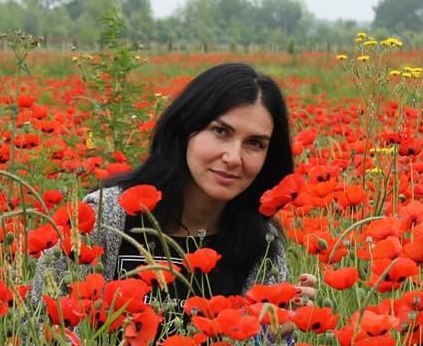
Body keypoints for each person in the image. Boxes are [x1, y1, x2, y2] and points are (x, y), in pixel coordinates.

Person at [29, 62, 317, 330]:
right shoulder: (104, 218)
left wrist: (276, 333)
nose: (233, 157)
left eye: (254, 143)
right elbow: (39, 336)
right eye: (219, 131)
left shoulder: (261, 244)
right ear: (184, 129)